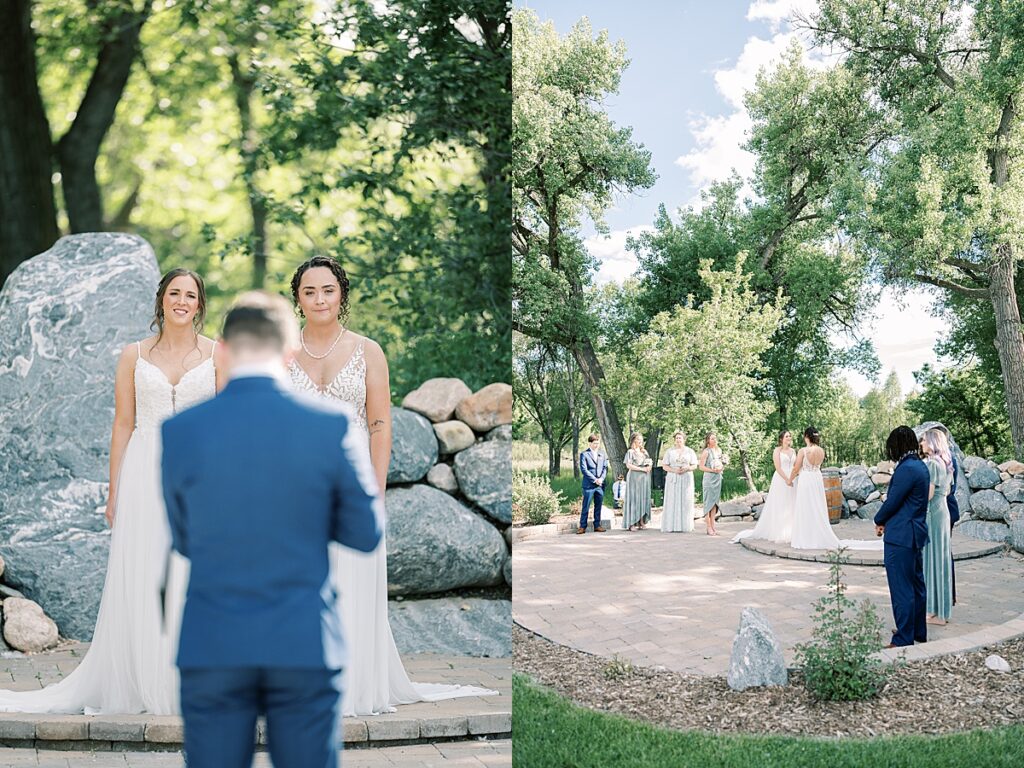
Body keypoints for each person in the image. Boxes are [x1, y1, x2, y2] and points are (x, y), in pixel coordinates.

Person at [162, 292, 382, 768]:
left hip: (213, 642)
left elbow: (184, 539)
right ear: (288, 353)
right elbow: (366, 532)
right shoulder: (330, 425)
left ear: (221, 350)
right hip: (302, 641)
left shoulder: (181, 431)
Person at [0, 268, 220, 715]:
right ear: (161, 300)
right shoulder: (133, 355)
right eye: (174, 293)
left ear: (199, 305)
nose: (181, 301)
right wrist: (114, 489)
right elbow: (123, 424)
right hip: (145, 470)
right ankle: (145, 679)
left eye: (190, 295)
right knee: (145, 571)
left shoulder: (220, 354)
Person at [288, 255, 493, 715]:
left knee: (352, 576)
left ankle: (353, 683)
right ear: (298, 300)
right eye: (309, 292)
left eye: (327, 290)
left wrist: (375, 490)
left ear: (341, 295)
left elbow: (380, 424)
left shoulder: (367, 351)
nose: (319, 299)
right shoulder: (285, 352)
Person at [874, 425, 931, 647]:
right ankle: (917, 631)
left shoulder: (906, 469)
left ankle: (903, 638)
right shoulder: (920, 466)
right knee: (916, 585)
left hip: (901, 536)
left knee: (901, 588)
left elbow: (893, 501)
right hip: (914, 532)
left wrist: (878, 520)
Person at [732, 430, 796, 544]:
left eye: (790, 436)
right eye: (787, 436)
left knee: (792, 504)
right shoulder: (777, 451)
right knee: (781, 504)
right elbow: (778, 467)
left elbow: (795, 465)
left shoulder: (793, 451)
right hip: (781, 479)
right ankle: (780, 531)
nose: (789, 438)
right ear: (781, 439)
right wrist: (787, 479)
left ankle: (792, 530)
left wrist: (793, 477)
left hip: (792, 478)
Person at [920, 428, 953, 625]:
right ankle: (939, 609)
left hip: (933, 513)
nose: (921, 444)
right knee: (940, 560)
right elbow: (946, 491)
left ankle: (935, 612)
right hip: (943, 511)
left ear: (932, 442)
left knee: (932, 561)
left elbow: (928, 495)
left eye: (924, 441)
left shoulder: (932, 463)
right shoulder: (946, 463)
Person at [661, 431, 698, 533]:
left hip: (686, 477)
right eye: (676, 438)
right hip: (673, 477)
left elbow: (695, 465)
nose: (678, 440)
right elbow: (665, 465)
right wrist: (674, 470)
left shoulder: (690, 451)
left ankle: (685, 525)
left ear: (684, 439)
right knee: (672, 499)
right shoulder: (669, 452)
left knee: (685, 500)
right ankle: (671, 525)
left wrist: (687, 468)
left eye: (680, 438)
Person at [577, 433, 608, 534]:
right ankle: (582, 526)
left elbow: (605, 468)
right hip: (589, 485)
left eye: (598, 443)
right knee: (586, 506)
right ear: (590, 443)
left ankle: (597, 525)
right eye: (594, 443)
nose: (596, 445)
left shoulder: (602, 454)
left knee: (598, 505)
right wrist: (595, 479)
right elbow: (584, 470)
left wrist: (601, 479)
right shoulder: (584, 454)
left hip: (600, 485)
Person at [623, 432, 652, 531]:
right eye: (638, 439)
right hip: (634, 477)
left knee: (643, 498)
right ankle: (631, 523)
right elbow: (629, 465)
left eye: (641, 440)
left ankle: (641, 521)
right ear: (633, 440)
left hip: (644, 478)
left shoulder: (644, 452)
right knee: (634, 498)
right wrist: (641, 469)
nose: (640, 441)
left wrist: (648, 467)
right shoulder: (630, 452)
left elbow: (649, 462)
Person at [698, 432, 725, 536]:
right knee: (708, 502)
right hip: (709, 478)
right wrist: (712, 470)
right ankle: (708, 527)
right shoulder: (706, 452)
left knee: (714, 503)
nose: (714, 440)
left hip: (718, 478)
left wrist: (721, 467)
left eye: (715, 438)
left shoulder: (719, 451)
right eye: (712, 438)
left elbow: (722, 463)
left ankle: (713, 525)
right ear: (708, 440)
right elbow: (701, 467)